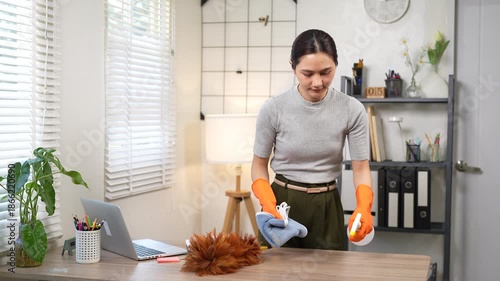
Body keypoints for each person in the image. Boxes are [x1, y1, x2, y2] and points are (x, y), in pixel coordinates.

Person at [251, 29, 373, 250]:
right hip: (282, 203)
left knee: (329, 273)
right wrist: (267, 202)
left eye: (326, 72)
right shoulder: (273, 109)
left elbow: (361, 168)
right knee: (274, 273)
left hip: (327, 205)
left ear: (336, 64)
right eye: (308, 74)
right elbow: (259, 165)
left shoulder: (351, 109)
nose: (317, 82)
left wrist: (364, 206)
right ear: (293, 66)